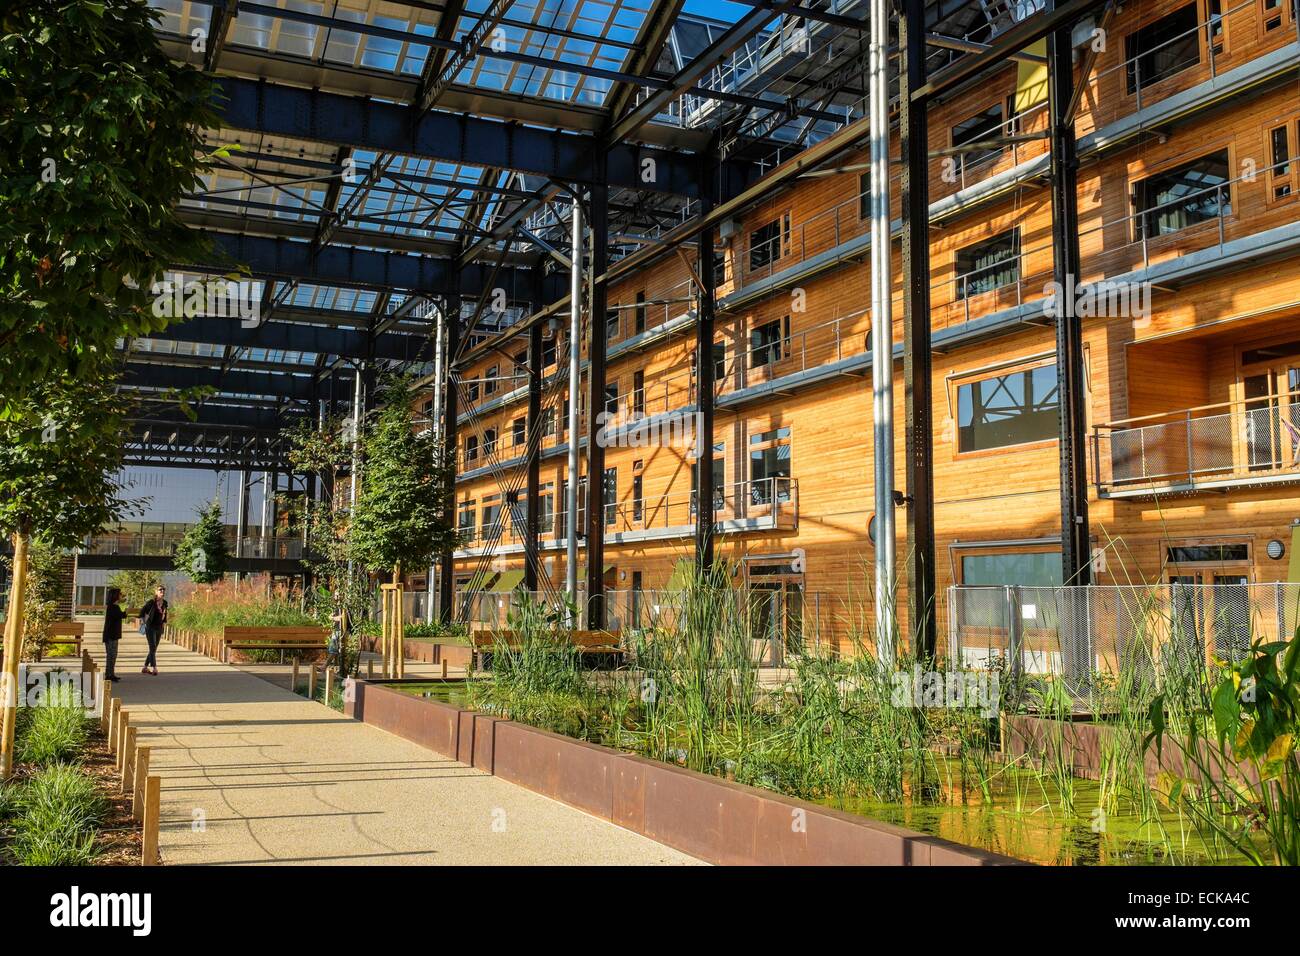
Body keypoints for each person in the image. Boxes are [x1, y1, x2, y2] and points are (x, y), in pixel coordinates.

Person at [137, 585, 168, 676]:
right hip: (150, 627)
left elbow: (165, 614)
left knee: (153, 649)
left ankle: (145, 667)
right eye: (160, 590)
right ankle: (154, 668)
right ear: (156, 592)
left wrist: (164, 622)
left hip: (159, 628)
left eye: (163, 589)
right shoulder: (151, 602)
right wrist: (143, 622)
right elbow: (142, 612)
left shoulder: (165, 603)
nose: (162, 591)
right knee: (152, 647)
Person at [102, 587, 125, 682]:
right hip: (111, 635)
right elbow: (120, 615)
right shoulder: (113, 607)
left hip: (113, 635)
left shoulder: (114, 607)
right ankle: (109, 675)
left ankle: (111, 673)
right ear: (115, 596)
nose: (121, 596)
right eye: (119, 594)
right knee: (111, 655)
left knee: (113, 655)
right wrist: (127, 611)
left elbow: (120, 615)